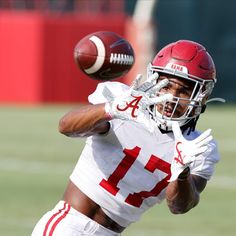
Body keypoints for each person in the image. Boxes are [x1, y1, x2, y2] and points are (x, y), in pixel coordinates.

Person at [31, 40, 220, 236]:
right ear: (154, 79)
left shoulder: (199, 147)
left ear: (202, 96)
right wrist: (109, 109)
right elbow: (65, 126)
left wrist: (182, 172)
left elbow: (179, 206)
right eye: (166, 86)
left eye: (183, 90)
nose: (171, 97)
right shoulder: (123, 102)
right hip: (69, 225)